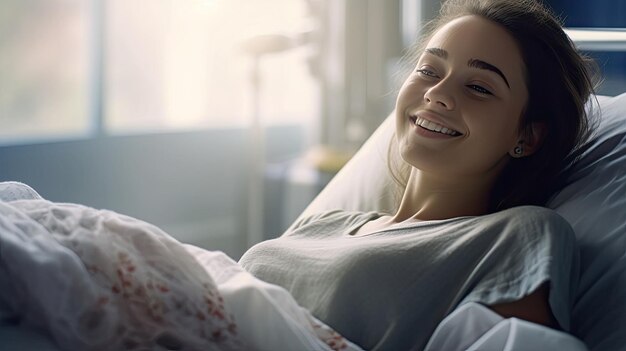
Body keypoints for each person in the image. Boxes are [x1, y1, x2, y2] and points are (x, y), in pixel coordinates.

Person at [239, 0, 598, 350]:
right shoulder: (321, 224)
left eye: (478, 87)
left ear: (527, 136)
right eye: (429, 71)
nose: (437, 94)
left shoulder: (517, 236)